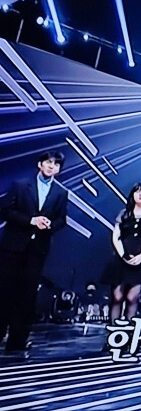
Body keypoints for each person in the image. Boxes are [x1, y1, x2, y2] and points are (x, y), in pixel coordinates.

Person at [0, 151, 69, 354]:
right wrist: (31, 221)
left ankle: (17, 341)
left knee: (28, 295)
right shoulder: (20, 185)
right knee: (4, 291)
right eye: (48, 162)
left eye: (56, 164)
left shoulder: (61, 192)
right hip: (13, 246)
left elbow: (62, 219)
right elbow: (5, 210)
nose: (51, 166)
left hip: (37, 249)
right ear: (40, 164)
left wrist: (49, 225)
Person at [101, 182, 141, 323]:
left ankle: (129, 330)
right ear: (132, 195)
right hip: (121, 258)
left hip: (140, 260)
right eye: (137, 191)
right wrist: (123, 254)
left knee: (132, 298)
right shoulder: (124, 214)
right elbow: (116, 236)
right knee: (117, 297)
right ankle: (114, 329)